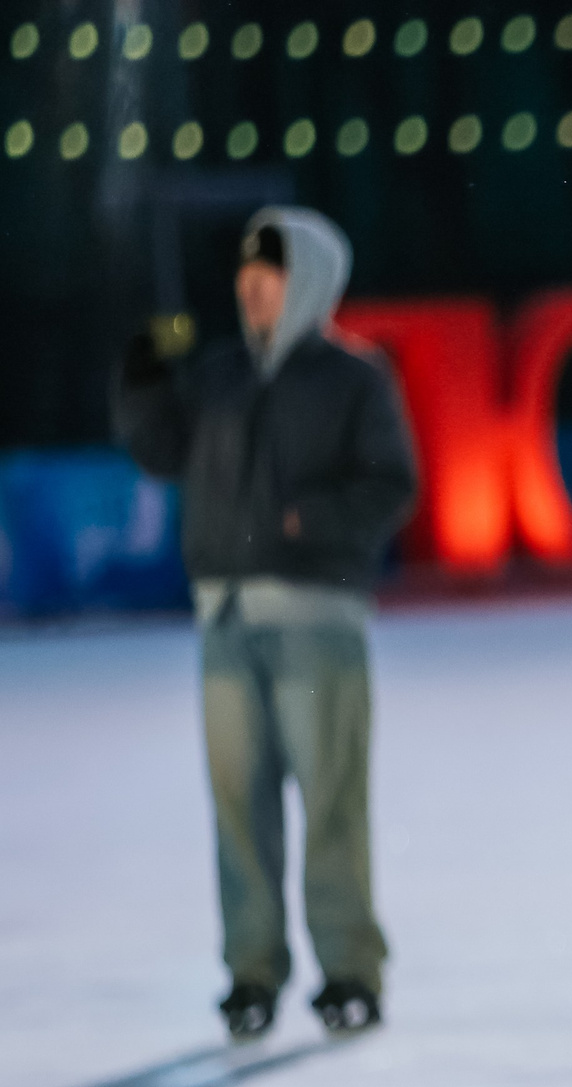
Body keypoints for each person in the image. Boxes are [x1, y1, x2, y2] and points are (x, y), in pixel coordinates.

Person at [113, 208, 417, 1042]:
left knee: (330, 802)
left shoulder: (353, 378)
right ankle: (251, 972)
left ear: (309, 280)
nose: (253, 289)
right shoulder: (217, 374)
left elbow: (391, 481)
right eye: (246, 276)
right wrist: (144, 377)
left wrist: (305, 522)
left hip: (316, 621)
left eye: (270, 274)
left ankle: (351, 967)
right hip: (226, 619)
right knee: (238, 808)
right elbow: (161, 452)